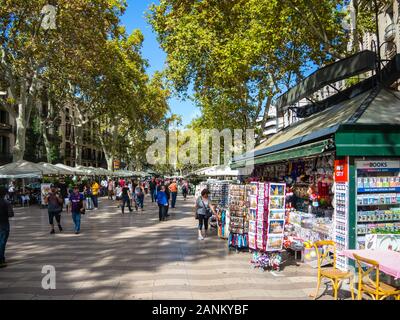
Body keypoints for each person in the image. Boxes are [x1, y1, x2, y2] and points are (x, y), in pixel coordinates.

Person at [0, 187, 12, 268]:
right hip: (4, 224)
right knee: (2, 243)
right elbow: (11, 214)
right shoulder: (6, 202)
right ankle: (1, 260)